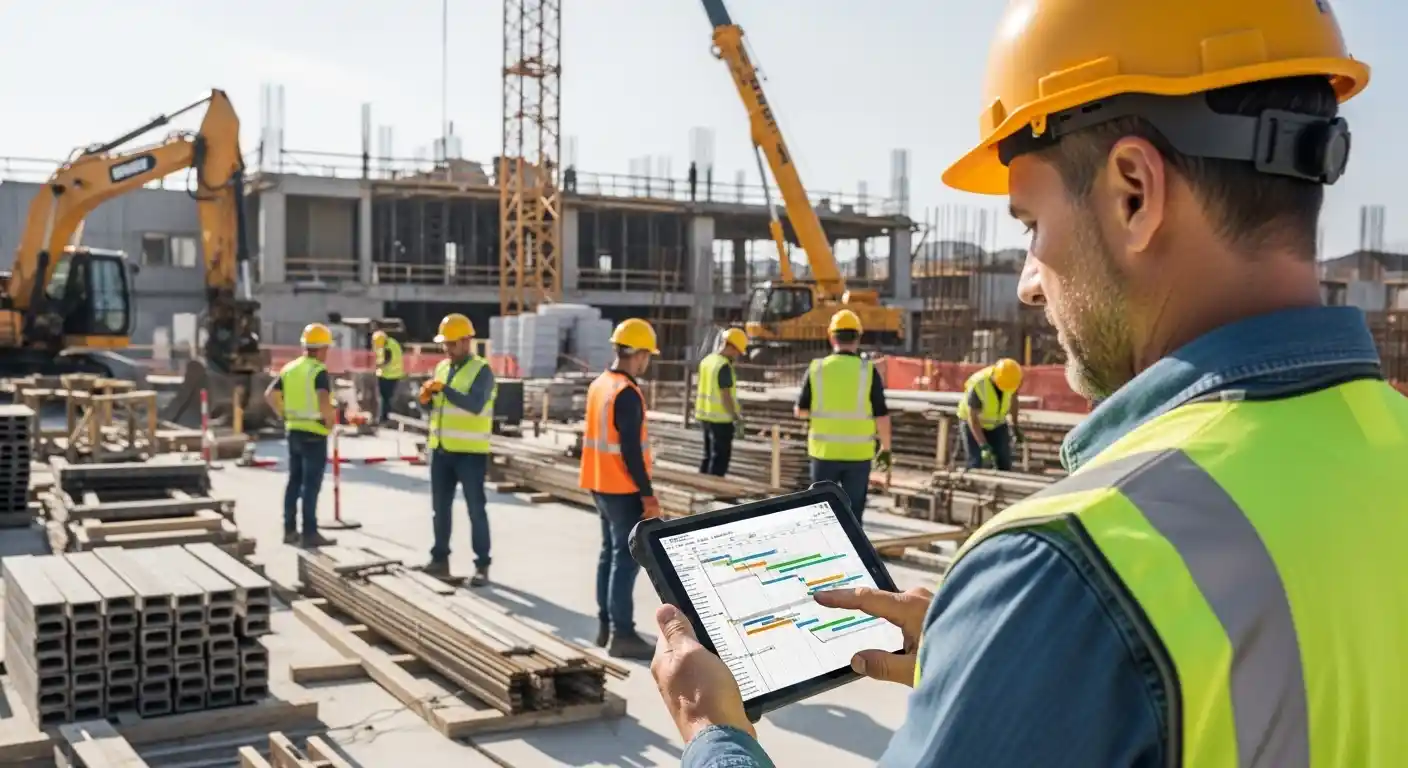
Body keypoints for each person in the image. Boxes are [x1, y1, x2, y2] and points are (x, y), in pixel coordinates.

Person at [651, 2, 1408, 766]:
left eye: (1030, 225)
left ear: (1134, 193)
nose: (1027, 284)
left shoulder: (1068, 566)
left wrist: (715, 733)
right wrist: (997, 666)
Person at [579, 318, 661, 661]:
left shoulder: (601, 383)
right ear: (639, 354)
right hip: (622, 488)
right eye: (647, 356)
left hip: (599, 483)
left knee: (608, 555)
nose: (647, 362)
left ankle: (606, 626)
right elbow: (630, 451)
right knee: (625, 561)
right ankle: (622, 634)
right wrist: (647, 494)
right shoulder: (626, 392)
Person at [793, 310, 892, 520]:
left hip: (823, 454)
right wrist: (886, 448)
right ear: (858, 338)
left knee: (821, 515)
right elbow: (881, 414)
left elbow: (800, 411)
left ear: (831, 337)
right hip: (858, 455)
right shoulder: (868, 371)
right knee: (853, 516)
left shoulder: (817, 369)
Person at [421, 313, 496, 587]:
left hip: (470, 453)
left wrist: (445, 390)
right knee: (439, 509)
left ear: (466, 342)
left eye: (451, 344)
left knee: (476, 509)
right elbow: (438, 408)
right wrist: (426, 400)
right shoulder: (442, 367)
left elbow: (475, 405)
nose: (447, 349)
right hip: (441, 450)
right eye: (445, 344)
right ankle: (439, 559)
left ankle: (482, 564)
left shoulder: (482, 370)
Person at [264, 323, 337, 548]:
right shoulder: (318, 371)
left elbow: (270, 395)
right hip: (314, 434)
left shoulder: (290, 368)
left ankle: (289, 530)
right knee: (310, 486)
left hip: (293, 431)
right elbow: (323, 400)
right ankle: (309, 533)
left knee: (294, 482)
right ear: (322, 348)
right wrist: (330, 422)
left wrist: (284, 414)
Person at [695, 327, 748, 477]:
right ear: (732, 347)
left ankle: (701, 484)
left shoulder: (707, 361)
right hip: (721, 420)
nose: (737, 356)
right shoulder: (723, 366)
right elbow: (726, 397)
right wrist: (736, 417)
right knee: (719, 459)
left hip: (705, 416)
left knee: (707, 455)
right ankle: (715, 487)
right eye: (737, 351)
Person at [957, 358, 1023, 470]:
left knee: (1004, 462)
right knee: (976, 462)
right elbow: (973, 419)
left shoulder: (1011, 380)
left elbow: (1014, 401)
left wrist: (1015, 426)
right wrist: (983, 445)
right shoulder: (979, 384)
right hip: (972, 424)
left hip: (997, 424)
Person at [372, 329, 405, 425]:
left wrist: (376, 366)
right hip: (394, 374)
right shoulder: (392, 342)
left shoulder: (388, 348)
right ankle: (385, 417)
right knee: (387, 398)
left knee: (384, 398)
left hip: (388, 375)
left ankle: (383, 418)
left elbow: (385, 361)